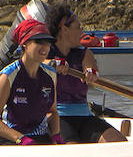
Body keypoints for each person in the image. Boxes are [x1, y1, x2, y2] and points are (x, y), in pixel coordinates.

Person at [48, 8, 126, 143]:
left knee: (118, 141)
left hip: (85, 116)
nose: (82, 32)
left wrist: (91, 73)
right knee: (75, 150)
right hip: (58, 117)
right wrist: (53, 64)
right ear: (64, 29)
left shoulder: (84, 53)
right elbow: (36, 62)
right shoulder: (46, 51)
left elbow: (90, 67)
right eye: (78, 28)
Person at [0, 19, 63, 145]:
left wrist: (56, 134)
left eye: (47, 43)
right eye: (39, 42)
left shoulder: (51, 74)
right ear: (24, 44)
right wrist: (20, 138)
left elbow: (52, 111)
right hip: (10, 138)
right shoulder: (8, 76)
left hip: (39, 137)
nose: (45, 48)